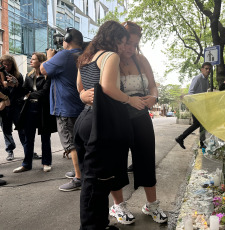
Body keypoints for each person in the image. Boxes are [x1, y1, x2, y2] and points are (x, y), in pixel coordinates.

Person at [81, 21, 167, 225]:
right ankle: (118, 205)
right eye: (126, 43)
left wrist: (153, 97)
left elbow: (153, 86)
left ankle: (151, 203)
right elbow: (85, 84)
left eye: (134, 44)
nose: (129, 48)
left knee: (146, 157)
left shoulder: (141, 60)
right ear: (117, 40)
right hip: (115, 118)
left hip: (140, 116)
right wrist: (83, 95)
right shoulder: (109, 57)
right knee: (115, 163)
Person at [75, 20, 140, 230]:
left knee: (91, 178)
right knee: (97, 182)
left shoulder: (86, 57)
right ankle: (92, 227)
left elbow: (80, 88)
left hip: (85, 119)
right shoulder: (110, 56)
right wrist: (131, 100)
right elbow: (108, 88)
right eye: (122, 42)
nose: (123, 47)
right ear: (113, 39)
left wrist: (83, 96)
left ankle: (100, 224)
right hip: (101, 123)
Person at [40, 28, 84, 191]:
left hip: (65, 107)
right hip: (80, 106)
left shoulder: (64, 55)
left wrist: (50, 57)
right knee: (80, 142)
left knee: (71, 143)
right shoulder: (84, 54)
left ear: (67, 39)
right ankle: (81, 171)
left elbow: (43, 70)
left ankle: (79, 178)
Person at [13, 52, 57, 173]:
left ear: (41, 61)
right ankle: (26, 164)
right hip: (30, 108)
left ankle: (46, 163)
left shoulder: (48, 76)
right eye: (31, 59)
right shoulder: (29, 75)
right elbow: (24, 90)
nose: (30, 61)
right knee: (28, 138)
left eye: (33, 59)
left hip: (43, 109)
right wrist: (16, 84)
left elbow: (45, 92)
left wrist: (29, 94)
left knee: (45, 137)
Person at [175, 62, 212, 149]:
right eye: (206, 68)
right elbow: (191, 92)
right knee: (197, 124)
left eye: (209, 69)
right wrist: (194, 104)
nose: (208, 70)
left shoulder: (206, 80)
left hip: (201, 106)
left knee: (202, 124)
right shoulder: (198, 78)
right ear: (202, 69)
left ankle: (201, 143)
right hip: (195, 105)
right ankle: (181, 138)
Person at [0, 55, 26, 161]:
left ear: (13, 65)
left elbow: (23, 91)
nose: (6, 67)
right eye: (4, 64)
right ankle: (10, 151)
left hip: (16, 106)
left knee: (22, 128)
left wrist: (15, 84)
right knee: (6, 130)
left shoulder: (17, 75)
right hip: (4, 107)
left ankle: (27, 149)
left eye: (9, 64)